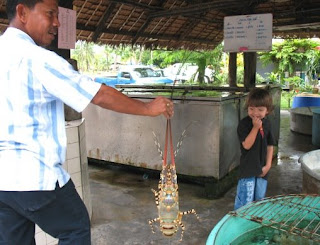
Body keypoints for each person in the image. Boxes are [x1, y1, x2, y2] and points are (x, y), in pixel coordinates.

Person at [0, 0, 174, 244]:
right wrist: (148, 107)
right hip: (35, 175)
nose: (57, 23)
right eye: (50, 14)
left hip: (3, 181)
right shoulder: (37, 59)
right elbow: (98, 94)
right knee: (76, 228)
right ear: (22, 12)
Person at [234, 88, 276, 210]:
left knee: (259, 201)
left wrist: (268, 165)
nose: (255, 113)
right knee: (244, 203)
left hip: (262, 170)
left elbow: (270, 145)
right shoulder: (244, 124)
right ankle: (239, 224)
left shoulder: (267, 124)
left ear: (267, 111)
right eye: (251, 109)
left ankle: (253, 222)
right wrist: (255, 128)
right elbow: (246, 145)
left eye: (260, 110)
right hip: (248, 170)